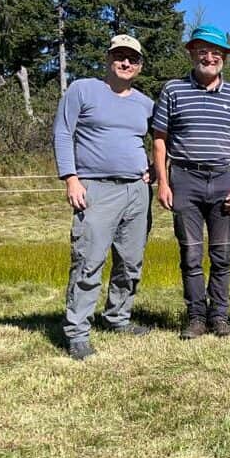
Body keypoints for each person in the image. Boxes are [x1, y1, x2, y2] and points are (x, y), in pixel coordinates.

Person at [53, 34, 154, 360]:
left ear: (139, 66)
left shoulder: (145, 103)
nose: (126, 63)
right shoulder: (83, 89)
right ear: (108, 59)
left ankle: (118, 318)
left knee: (130, 261)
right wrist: (71, 178)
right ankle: (77, 332)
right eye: (119, 56)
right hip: (95, 188)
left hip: (137, 192)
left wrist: (153, 168)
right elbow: (63, 132)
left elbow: (164, 137)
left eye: (133, 59)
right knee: (88, 261)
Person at [152, 25, 230, 339]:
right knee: (191, 254)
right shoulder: (173, 90)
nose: (209, 57)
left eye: (216, 52)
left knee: (222, 254)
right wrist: (163, 183)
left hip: (225, 179)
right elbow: (159, 140)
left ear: (224, 57)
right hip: (185, 178)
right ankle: (196, 316)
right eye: (203, 51)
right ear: (192, 53)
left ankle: (219, 317)